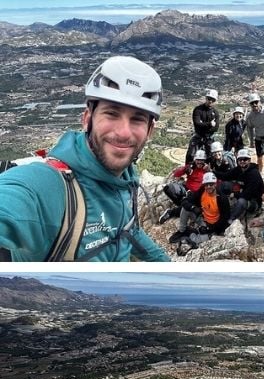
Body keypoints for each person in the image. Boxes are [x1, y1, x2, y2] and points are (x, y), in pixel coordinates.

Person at [0, 55, 169, 261]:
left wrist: (166, 264)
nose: (124, 132)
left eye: (137, 119)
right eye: (112, 114)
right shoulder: (48, 187)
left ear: (150, 130)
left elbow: (127, 227)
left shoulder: (124, 181)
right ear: (87, 119)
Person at [169, 172, 231, 243]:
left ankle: (190, 233)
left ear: (215, 184)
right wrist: (193, 208)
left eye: (211, 184)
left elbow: (224, 219)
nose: (208, 187)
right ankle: (182, 231)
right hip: (202, 218)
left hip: (213, 224)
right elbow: (185, 201)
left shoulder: (221, 198)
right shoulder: (202, 191)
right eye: (206, 185)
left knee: (199, 240)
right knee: (185, 209)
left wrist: (209, 229)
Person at [215, 148, 264, 225]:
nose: (242, 161)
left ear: (249, 160)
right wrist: (211, 171)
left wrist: (235, 194)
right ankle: (218, 208)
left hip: (254, 201)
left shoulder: (254, 174)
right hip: (242, 192)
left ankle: (230, 220)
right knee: (224, 185)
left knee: (241, 201)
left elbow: (248, 194)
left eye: (245, 159)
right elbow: (225, 176)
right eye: (240, 159)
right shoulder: (239, 169)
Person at [159, 151, 209, 224]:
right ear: (195, 160)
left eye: (201, 160)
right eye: (198, 160)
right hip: (186, 189)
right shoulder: (191, 167)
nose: (199, 162)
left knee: (189, 206)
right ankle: (182, 204)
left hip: (196, 195)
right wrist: (185, 169)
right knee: (168, 188)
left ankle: (171, 212)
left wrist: (208, 170)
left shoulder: (206, 170)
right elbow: (176, 174)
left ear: (204, 161)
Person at [185, 89, 220, 164]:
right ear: (206, 98)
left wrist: (203, 125)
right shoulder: (198, 110)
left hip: (209, 137)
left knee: (211, 157)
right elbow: (197, 124)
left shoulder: (215, 112)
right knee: (191, 155)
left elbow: (216, 128)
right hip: (199, 136)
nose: (210, 101)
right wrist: (209, 124)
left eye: (213, 100)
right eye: (209, 99)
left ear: (215, 101)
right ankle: (187, 170)